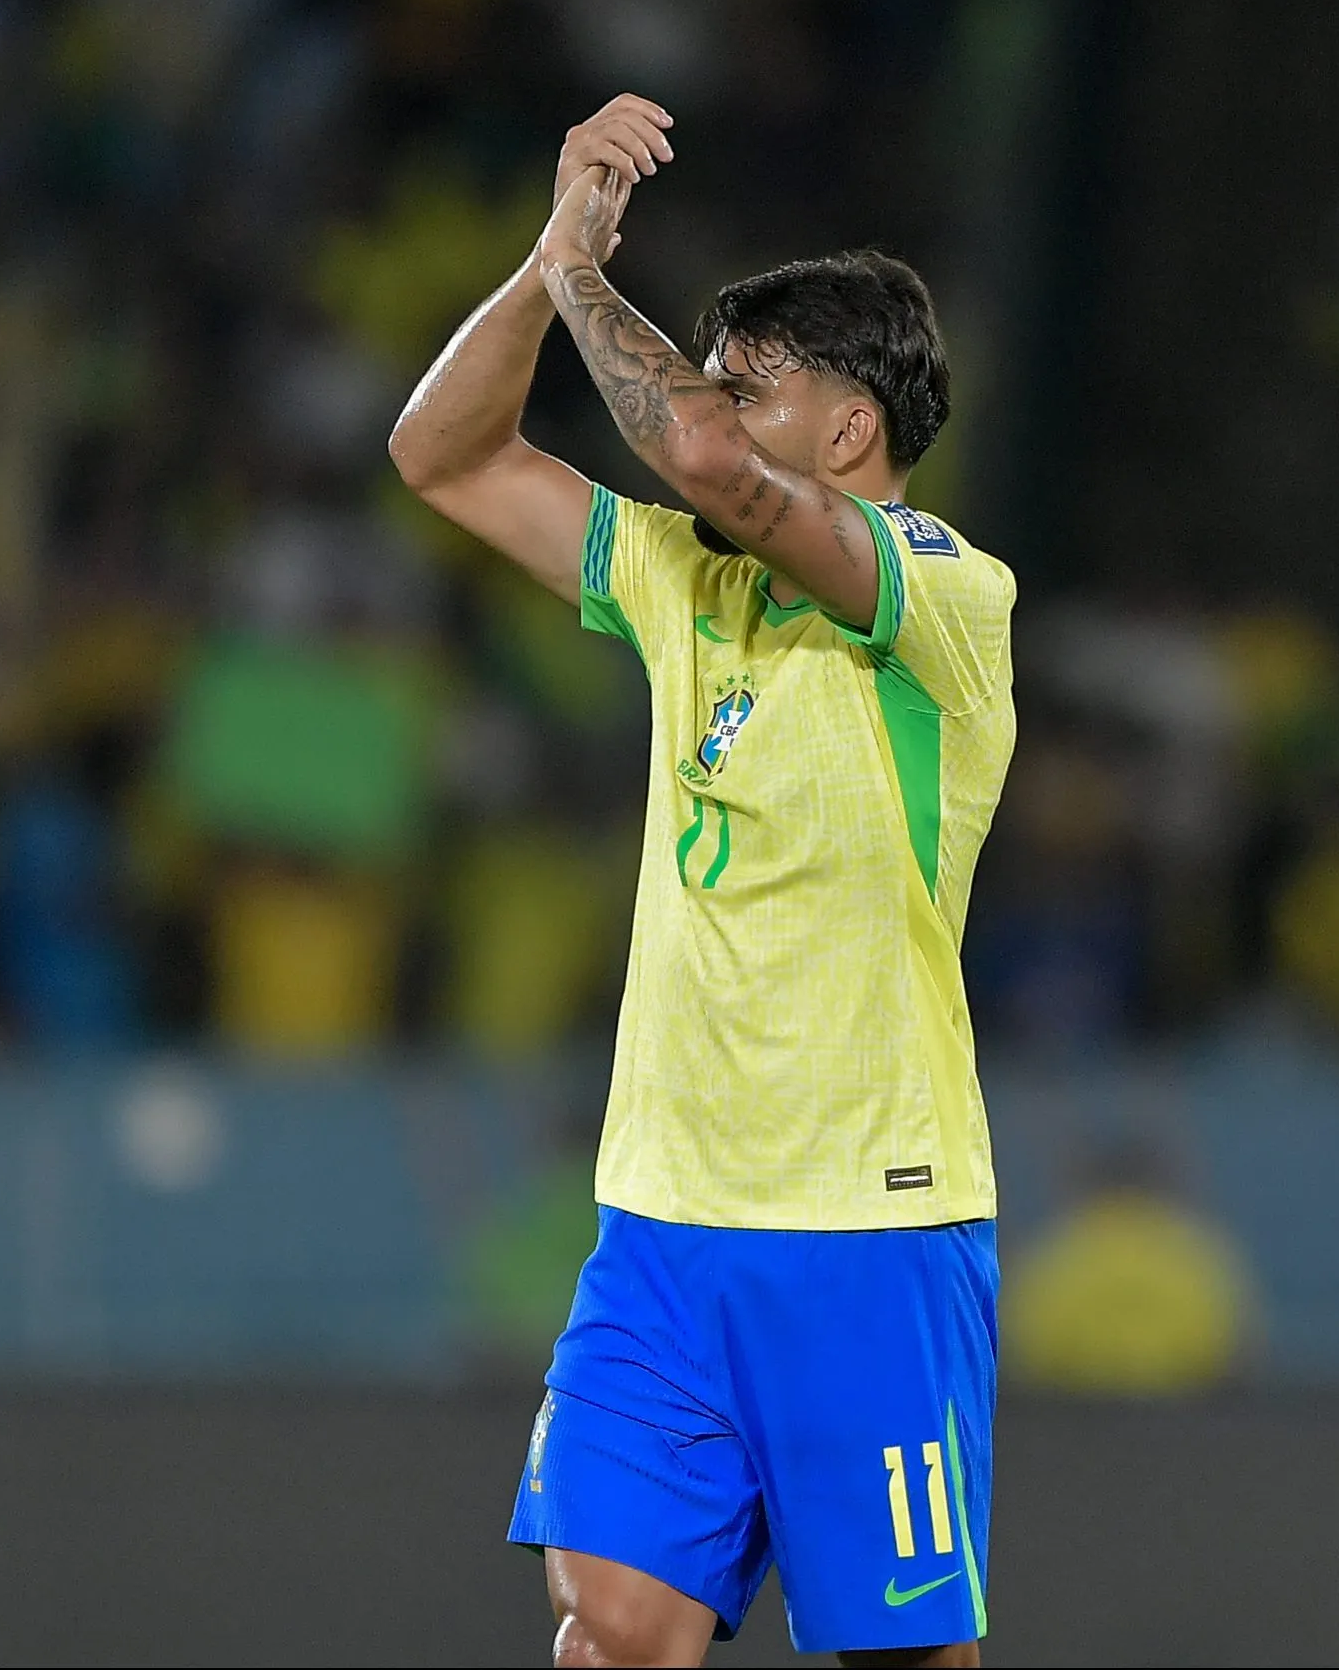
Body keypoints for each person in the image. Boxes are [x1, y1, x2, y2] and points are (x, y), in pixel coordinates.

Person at [390, 94, 1017, 1667]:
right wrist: (547, 267)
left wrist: (598, 276)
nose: (716, 403)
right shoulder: (683, 584)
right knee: (609, 1630)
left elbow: (706, 460)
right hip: (665, 1214)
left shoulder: (945, 600)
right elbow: (442, 453)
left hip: (867, 1219)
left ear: (850, 424)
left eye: (757, 380)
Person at [1002, 1137, 1255, 1397]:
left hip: (1072, 1422)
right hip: (1184, 1423)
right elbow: (1232, 1355)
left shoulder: (1055, 1259)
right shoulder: (1197, 1259)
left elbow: (1025, 1357)